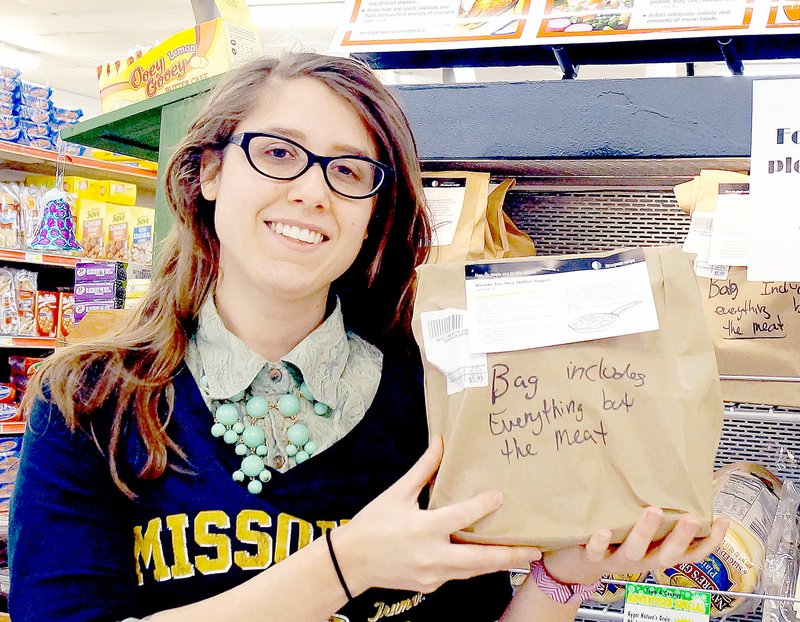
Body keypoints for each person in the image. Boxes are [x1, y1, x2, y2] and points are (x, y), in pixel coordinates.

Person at [8, 52, 727, 622]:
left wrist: (564, 576)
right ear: (211, 172)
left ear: (373, 214)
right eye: (279, 153)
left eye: (349, 170)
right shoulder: (91, 402)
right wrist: (347, 564)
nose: (313, 191)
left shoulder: (434, 398)